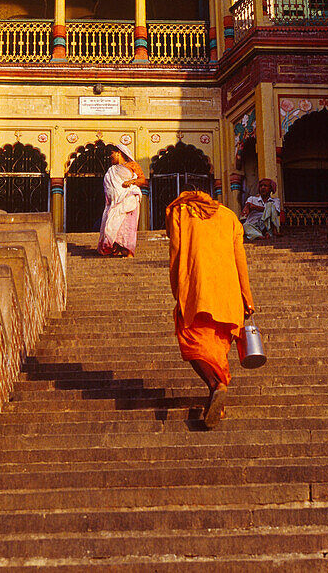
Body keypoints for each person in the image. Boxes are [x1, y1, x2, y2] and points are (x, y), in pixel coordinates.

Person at [165, 187, 255, 428]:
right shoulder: (229, 216)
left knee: (192, 342)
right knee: (217, 348)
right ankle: (218, 405)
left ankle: (217, 386)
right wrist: (247, 296)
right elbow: (240, 258)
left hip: (197, 290)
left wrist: (178, 287)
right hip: (228, 294)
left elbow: (175, 251)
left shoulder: (181, 211)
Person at [97, 144, 148, 258]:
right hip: (115, 203)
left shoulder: (132, 165)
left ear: (119, 153)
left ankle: (127, 250)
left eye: (112, 154)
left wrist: (131, 182)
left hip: (128, 200)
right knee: (113, 223)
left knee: (127, 225)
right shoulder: (112, 170)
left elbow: (143, 180)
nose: (110, 156)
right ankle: (115, 247)